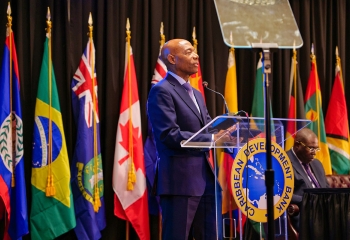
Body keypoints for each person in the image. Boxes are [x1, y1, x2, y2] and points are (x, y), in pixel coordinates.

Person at [147, 39, 232, 240]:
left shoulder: (196, 93)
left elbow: (209, 128)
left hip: (206, 181)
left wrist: (232, 134)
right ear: (172, 58)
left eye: (195, 51)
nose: (196, 56)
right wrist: (213, 137)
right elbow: (169, 135)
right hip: (180, 182)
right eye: (189, 52)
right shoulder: (162, 90)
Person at [287, 127, 329, 232]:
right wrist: (312, 200)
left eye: (316, 149)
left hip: (324, 211)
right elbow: (283, 194)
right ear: (297, 145)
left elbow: (326, 189)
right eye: (311, 148)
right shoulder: (284, 163)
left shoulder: (317, 164)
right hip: (304, 214)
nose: (314, 153)